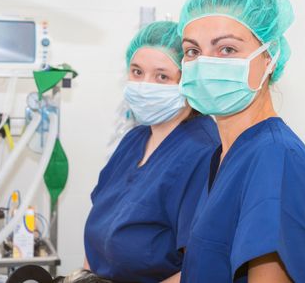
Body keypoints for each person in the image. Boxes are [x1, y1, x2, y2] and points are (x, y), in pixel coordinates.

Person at [177, 0, 305, 283]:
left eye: (227, 49)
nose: (204, 64)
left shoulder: (275, 158)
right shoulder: (223, 154)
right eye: (192, 51)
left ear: (270, 57)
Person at [83, 21, 220, 283]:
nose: (145, 85)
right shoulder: (135, 139)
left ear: (190, 80)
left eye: (162, 76)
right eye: (137, 72)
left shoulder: (203, 151)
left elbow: (201, 267)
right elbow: (99, 227)